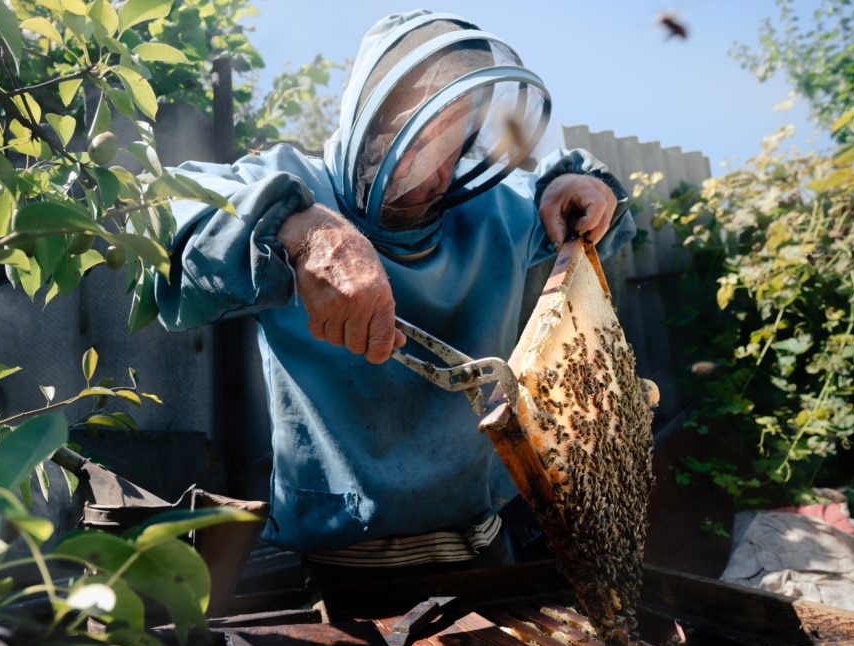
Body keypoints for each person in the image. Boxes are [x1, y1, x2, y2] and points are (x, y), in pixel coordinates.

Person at [155, 10, 635, 571]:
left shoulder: (497, 207)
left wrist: (581, 185)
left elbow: (599, 219)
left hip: (481, 548)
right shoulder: (291, 185)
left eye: (451, 145)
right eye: (412, 139)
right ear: (367, 117)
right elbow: (167, 228)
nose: (432, 174)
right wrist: (303, 232)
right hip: (328, 561)